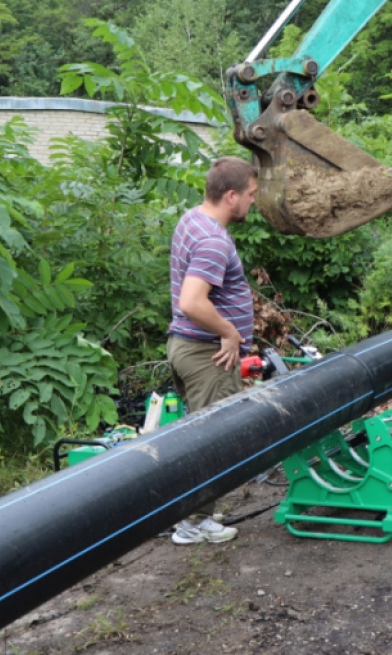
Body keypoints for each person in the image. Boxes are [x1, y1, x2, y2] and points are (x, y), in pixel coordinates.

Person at [166, 156, 259, 545]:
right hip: (208, 355)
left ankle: (196, 511)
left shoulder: (193, 218)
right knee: (214, 440)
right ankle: (193, 524)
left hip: (186, 347)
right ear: (231, 195)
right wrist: (229, 333)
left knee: (198, 437)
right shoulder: (212, 240)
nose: (254, 202)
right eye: (251, 195)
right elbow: (192, 301)